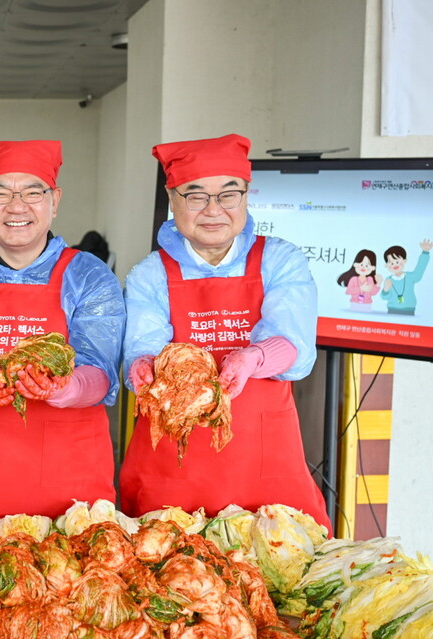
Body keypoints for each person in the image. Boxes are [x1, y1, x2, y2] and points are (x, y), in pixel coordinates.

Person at [119, 133, 332, 533]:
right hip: (172, 466)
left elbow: (297, 349)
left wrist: (254, 357)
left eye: (228, 194)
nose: (213, 210)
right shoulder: (150, 273)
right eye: (195, 196)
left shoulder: (279, 259)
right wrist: (143, 366)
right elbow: (143, 347)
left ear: (246, 197)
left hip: (263, 461)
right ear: (173, 199)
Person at [0, 140, 125, 527]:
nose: (16, 206)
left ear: (54, 201)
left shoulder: (89, 276)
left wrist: (65, 387)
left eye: (33, 192)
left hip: (69, 475)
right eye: (0, 193)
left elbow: (101, 374)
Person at [380, 240, 431, 315]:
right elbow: (384, 297)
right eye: (391, 263)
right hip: (392, 310)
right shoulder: (388, 279)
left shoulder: (410, 277)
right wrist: (385, 289)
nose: (395, 265)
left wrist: (425, 253)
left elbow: (420, 270)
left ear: (404, 261)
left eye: (397, 262)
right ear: (387, 265)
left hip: (409, 310)